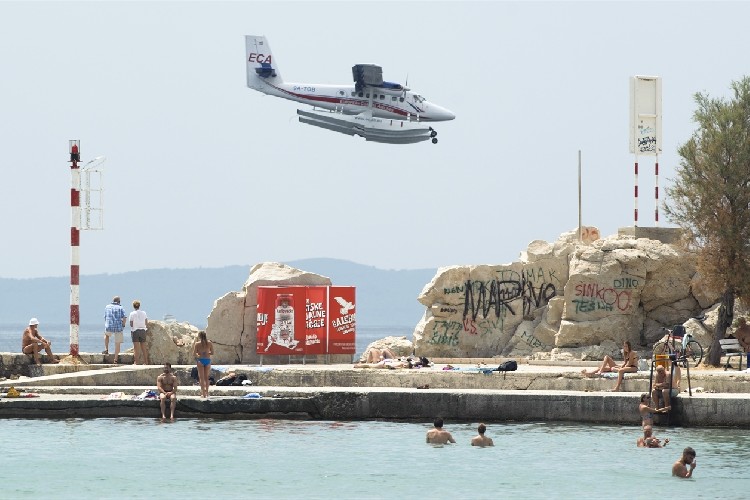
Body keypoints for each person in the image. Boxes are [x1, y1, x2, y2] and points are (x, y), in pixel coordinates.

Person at [103, 296, 127, 364]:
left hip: (109, 326)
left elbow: (105, 317)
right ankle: (115, 360)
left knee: (106, 335)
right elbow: (124, 318)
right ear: (119, 302)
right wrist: (123, 325)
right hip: (118, 327)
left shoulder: (107, 307)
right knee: (117, 343)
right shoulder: (121, 307)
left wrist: (106, 324)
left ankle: (106, 349)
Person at [128, 300, 150, 365]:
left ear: (133, 306)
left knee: (136, 348)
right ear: (139, 306)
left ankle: (136, 362)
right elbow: (146, 322)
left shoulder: (132, 314)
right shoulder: (144, 313)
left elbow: (131, 323)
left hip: (135, 331)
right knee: (143, 347)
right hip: (143, 330)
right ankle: (146, 362)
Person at [192, 331, 213, 398]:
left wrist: (199, 355)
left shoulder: (197, 344)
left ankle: (203, 394)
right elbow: (212, 352)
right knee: (207, 378)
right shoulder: (209, 343)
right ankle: (207, 392)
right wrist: (207, 353)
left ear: (199, 336)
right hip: (207, 360)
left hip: (200, 360)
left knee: (201, 378)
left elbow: (194, 354)